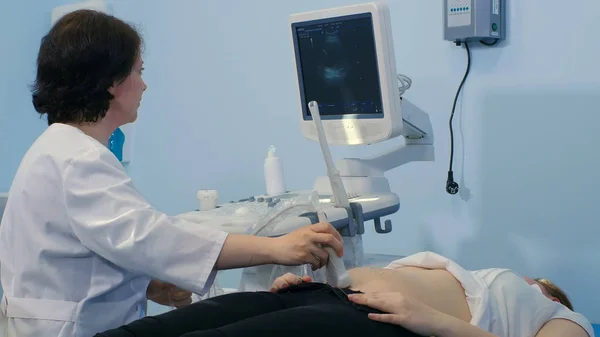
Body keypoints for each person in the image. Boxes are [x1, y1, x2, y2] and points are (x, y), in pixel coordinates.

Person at [0, 9, 344, 337]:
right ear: (111, 82)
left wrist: (148, 285)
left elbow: (89, 252)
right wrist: (277, 248)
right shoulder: (77, 159)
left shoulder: (56, 150)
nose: (144, 85)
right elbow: (152, 239)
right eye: (138, 71)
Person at [96, 251, 594, 337]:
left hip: (385, 326)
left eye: (542, 281)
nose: (534, 279)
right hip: (328, 297)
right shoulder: (477, 273)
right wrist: (319, 286)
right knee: (160, 329)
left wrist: (432, 319)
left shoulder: (561, 317)